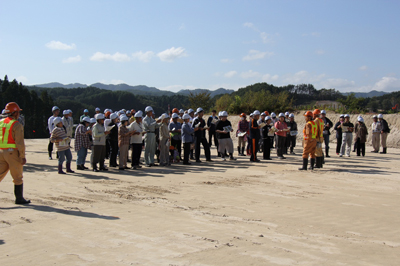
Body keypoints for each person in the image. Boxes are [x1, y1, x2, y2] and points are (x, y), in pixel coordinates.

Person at [0, 102, 30, 204]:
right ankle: (19, 198)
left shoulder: (1, 122)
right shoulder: (16, 124)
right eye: (18, 112)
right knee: (17, 177)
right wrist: (22, 156)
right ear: (14, 113)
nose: (19, 114)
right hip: (12, 153)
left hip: (1, 152)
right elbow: (20, 142)